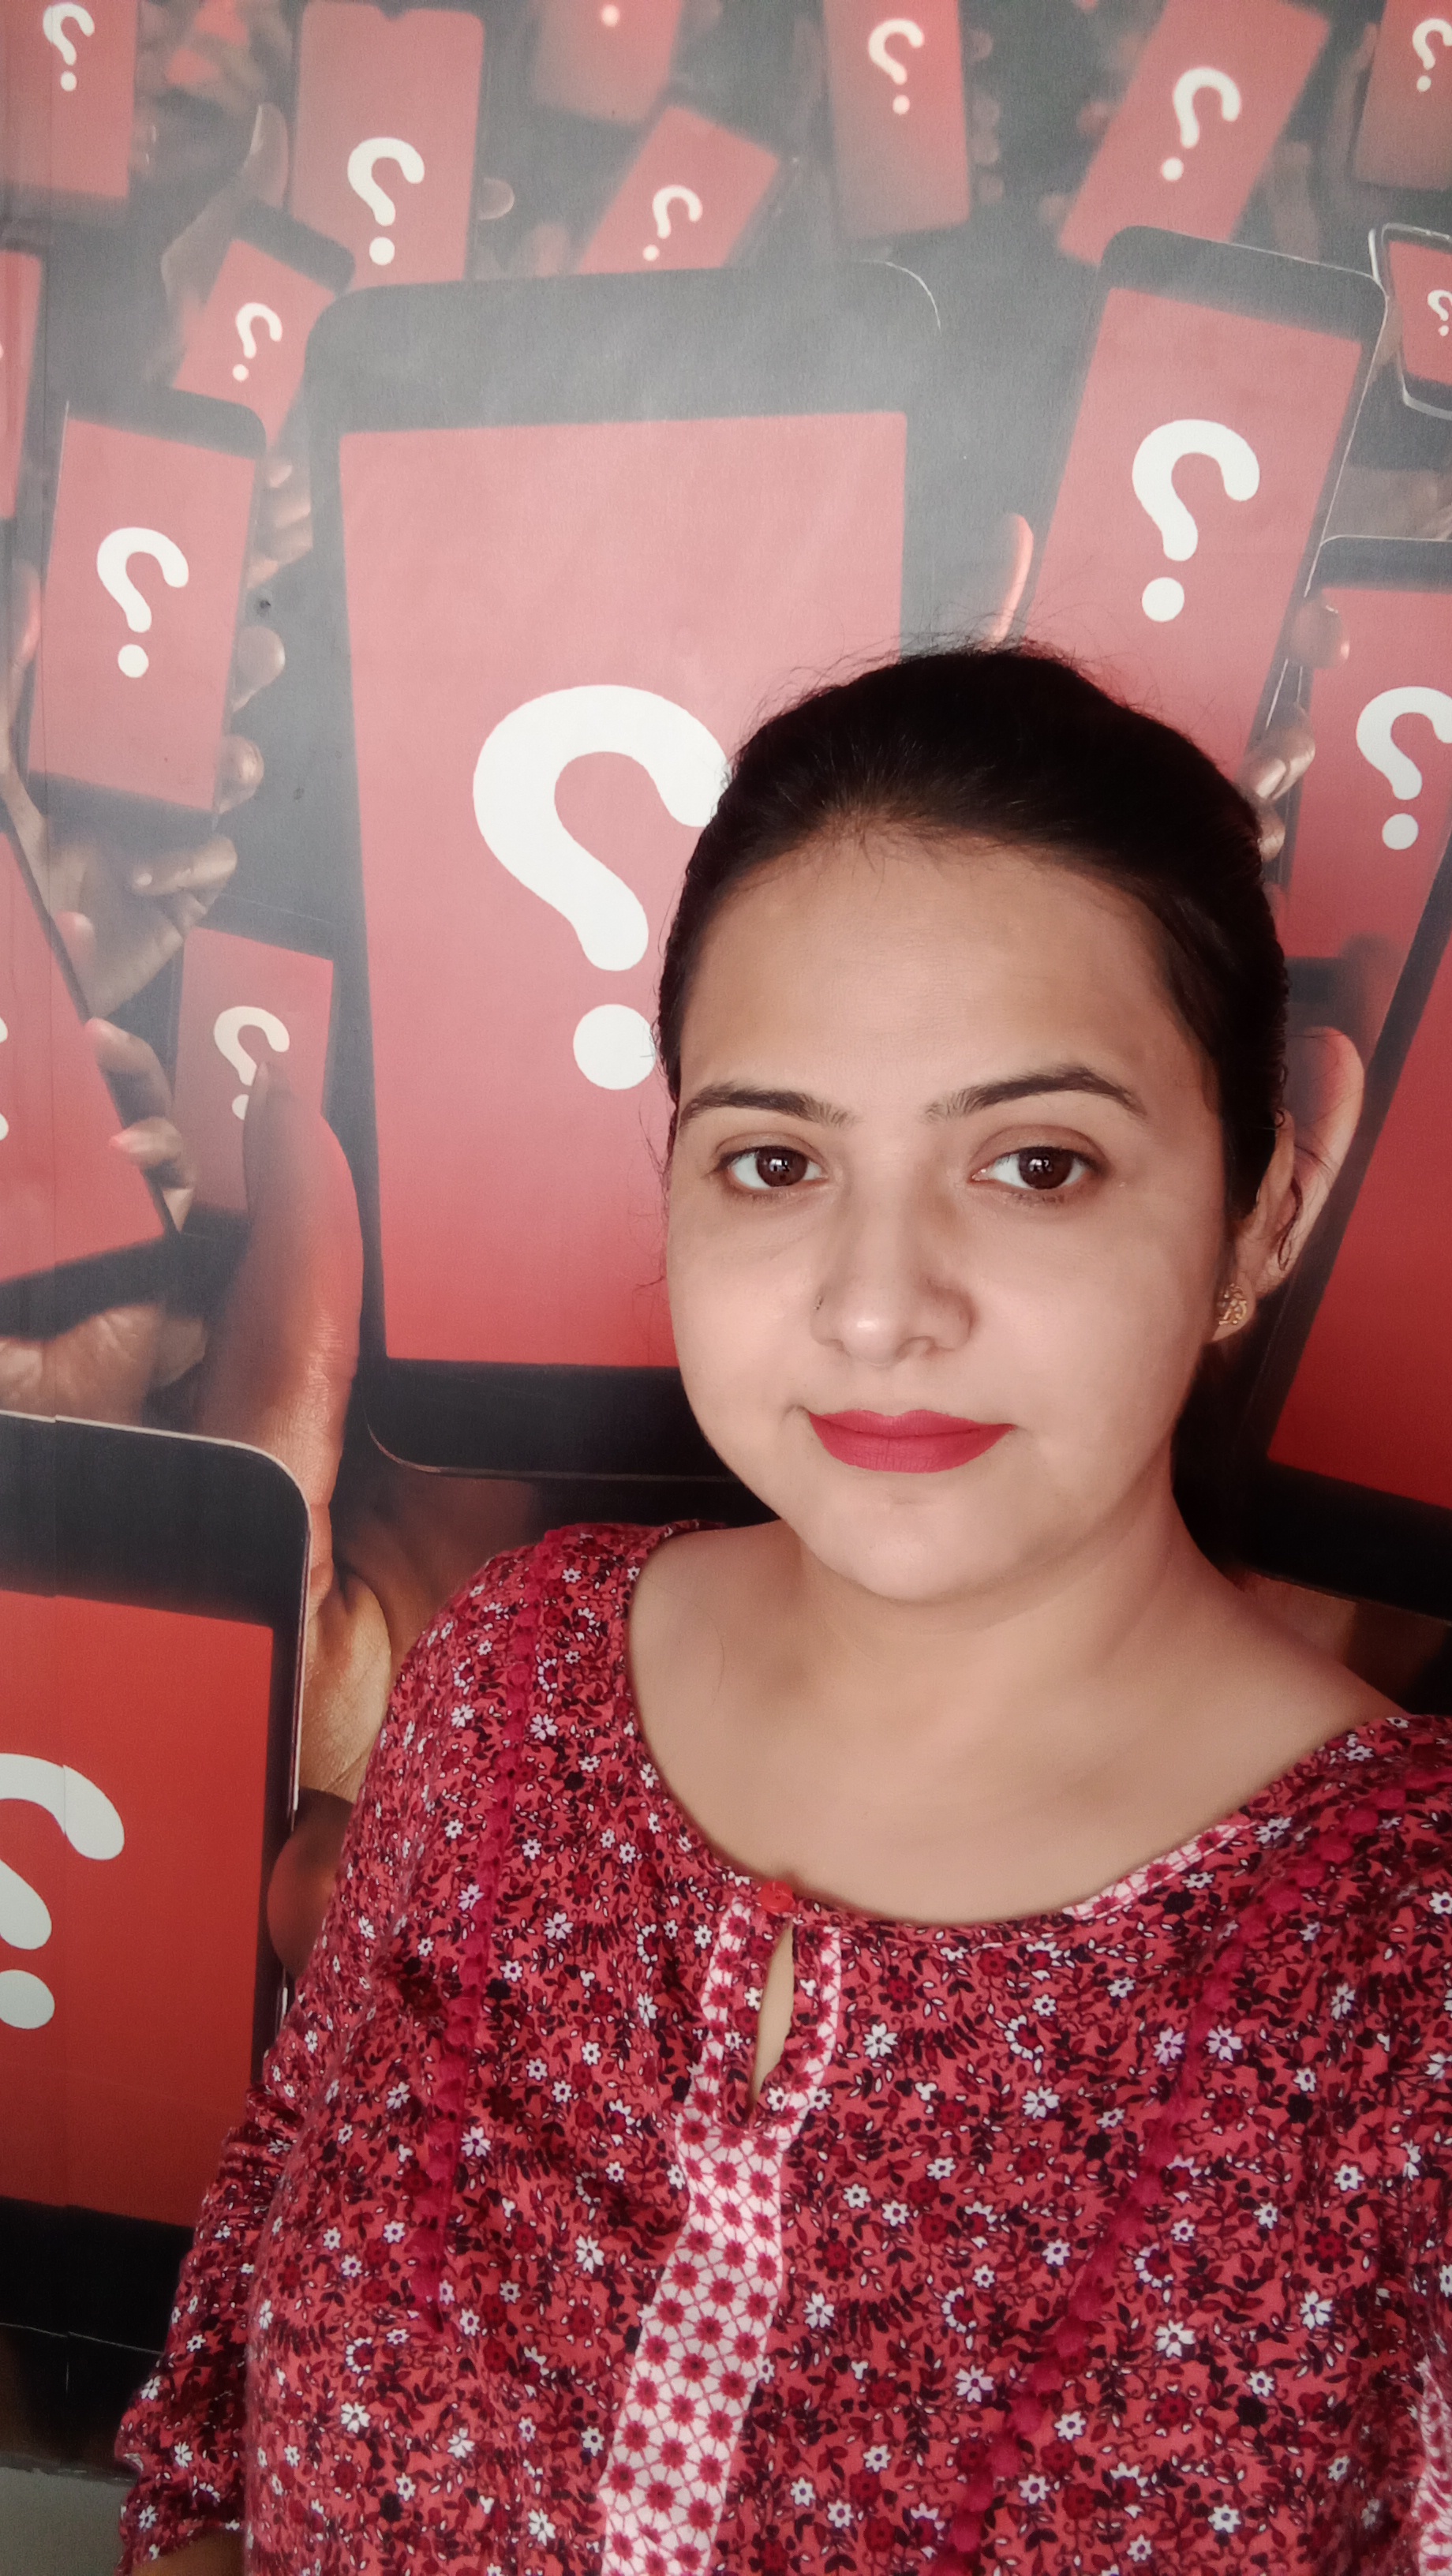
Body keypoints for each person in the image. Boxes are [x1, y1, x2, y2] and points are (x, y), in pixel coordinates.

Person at [117, 644, 1451, 2575]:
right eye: (773, 1160)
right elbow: (227, 2412)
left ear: (1259, 1211)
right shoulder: (506, 1678)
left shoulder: (1401, 1969)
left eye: (1035, 1163)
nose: (874, 1303)